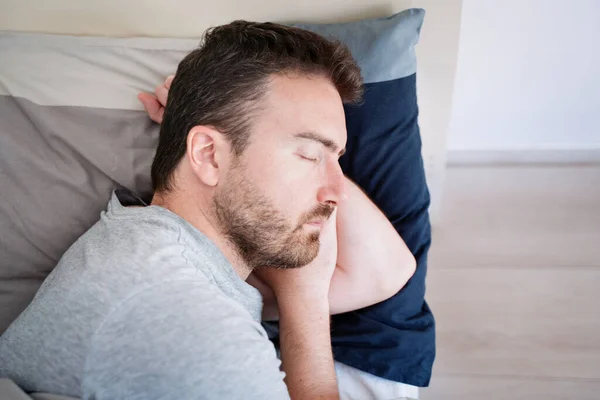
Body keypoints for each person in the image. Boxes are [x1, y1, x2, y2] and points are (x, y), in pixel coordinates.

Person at [0, 21, 415, 400]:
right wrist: (304, 302)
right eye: (308, 155)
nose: (337, 193)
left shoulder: (164, 244)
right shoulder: (187, 322)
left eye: (337, 157)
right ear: (208, 155)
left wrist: (197, 123)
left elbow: (388, 270)